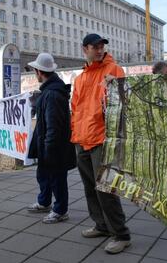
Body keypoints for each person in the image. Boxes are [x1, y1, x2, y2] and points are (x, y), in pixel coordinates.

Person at [71, 34, 131, 254]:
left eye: (101, 47)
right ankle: (101, 225)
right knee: (90, 187)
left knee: (106, 188)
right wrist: (75, 135)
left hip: (102, 140)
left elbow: (123, 106)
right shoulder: (80, 78)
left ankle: (121, 234)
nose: (99, 50)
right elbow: (76, 109)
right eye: (94, 47)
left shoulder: (114, 70)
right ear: (84, 49)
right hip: (81, 139)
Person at [26, 53, 76, 224]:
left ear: (39, 72)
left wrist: (49, 149)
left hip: (53, 146)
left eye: (35, 71)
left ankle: (61, 210)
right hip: (48, 145)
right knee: (44, 175)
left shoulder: (52, 94)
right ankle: (44, 202)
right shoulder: (49, 91)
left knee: (57, 179)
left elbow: (53, 126)